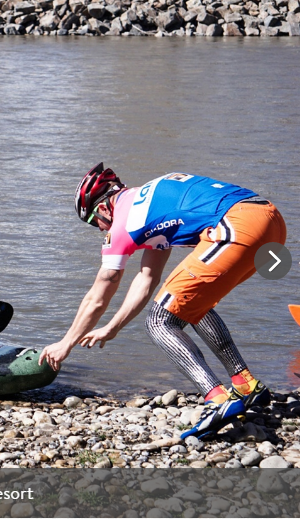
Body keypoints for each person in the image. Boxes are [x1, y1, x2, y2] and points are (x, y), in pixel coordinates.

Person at [39, 163, 286, 439]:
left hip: (238, 225)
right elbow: (147, 278)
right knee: (189, 302)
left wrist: (66, 343)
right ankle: (246, 384)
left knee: (159, 322)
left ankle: (216, 399)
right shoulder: (147, 204)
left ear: (105, 207)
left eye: (93, 220)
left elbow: (100, 292)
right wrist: (113, 328)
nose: (98, 229)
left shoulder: (123, 224)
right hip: (271, 221)